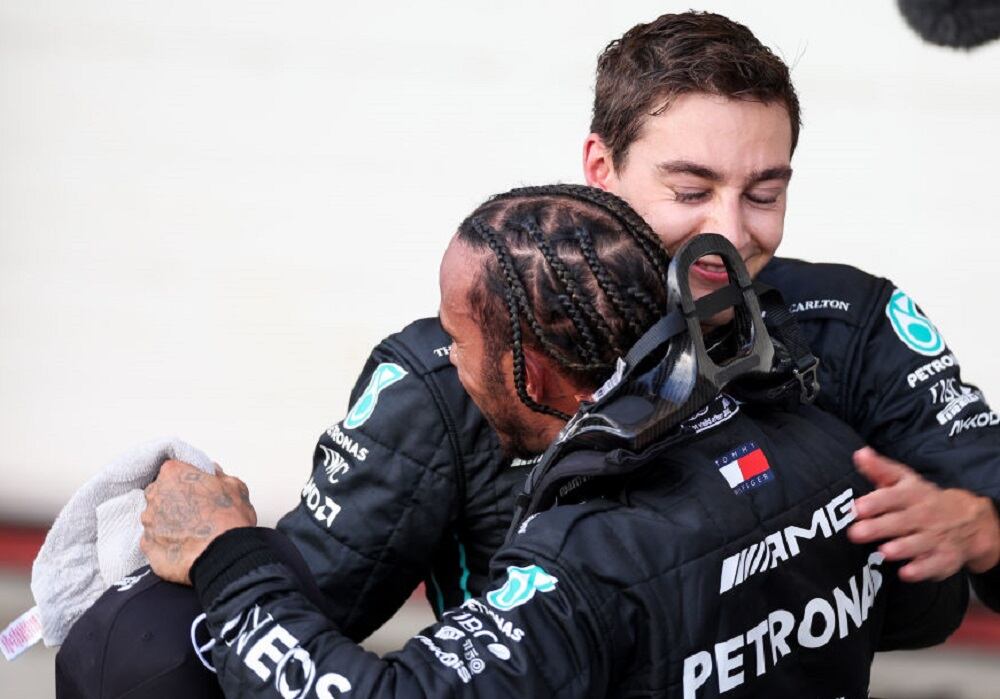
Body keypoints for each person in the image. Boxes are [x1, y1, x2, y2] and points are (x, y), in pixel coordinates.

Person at [264, 11, 999, 644]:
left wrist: (982, 530)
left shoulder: (847, 321)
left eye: (763, 194)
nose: (730, 231)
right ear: (601, 167)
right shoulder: (453, 375)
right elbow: (278, 633)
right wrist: (225, 556)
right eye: (691, 189)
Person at [140, 185, 968, 698]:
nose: (450, 364)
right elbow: (927, 609)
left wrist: (230, 555)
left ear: (530, 373)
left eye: (458, 343)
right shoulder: (820, 438)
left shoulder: (584, 560)